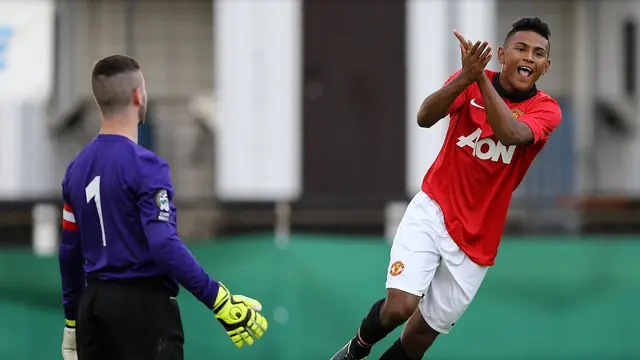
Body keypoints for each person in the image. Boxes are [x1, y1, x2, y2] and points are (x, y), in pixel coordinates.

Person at [330, 17, 561, 360]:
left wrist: (478, 78)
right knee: (400, 306)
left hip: (478, 238)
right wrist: (468, 78)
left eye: (538, 53)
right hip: (434, 210)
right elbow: (424, 116)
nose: (528, 57)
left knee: (420, 336)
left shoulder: (546, 109)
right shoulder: (469, 80)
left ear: (545, 66)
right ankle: (355, 350)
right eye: (521, 48)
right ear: (501, 54)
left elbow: (510, 134)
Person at [58, 54, 268, 360]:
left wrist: (71, 321)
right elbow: (163, 244)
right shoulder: (147, 166)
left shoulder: (75, 170)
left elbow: (69, 252)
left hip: (93, 308)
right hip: (143, 311)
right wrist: (219, 300)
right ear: (137, 95)